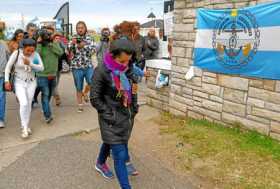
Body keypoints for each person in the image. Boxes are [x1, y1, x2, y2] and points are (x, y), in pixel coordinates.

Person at [90, 39, 139, 189]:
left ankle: (100, 162)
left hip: (126, 115)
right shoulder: (101, 71)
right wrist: (109, 115)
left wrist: (134, 106)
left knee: (111, 141)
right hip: (110, 117)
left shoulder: (129, 68)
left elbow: (133, 88)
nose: (125, 65)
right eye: (122, 61)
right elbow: (94, 98)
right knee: (119, 154)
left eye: (128, 61)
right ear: (113, 55)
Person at [4, 38, 44, 138]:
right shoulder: (17, 53)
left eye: (32, 50)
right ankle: (24, 127)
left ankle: (26, 125)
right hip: (19, 82)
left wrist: (30, 63)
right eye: (28, 50)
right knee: (24, 103)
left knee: (29, 104)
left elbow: (41, 68)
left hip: (32, 82)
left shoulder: (35, 55)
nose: (30, 52)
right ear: (23, 48)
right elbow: (8, 67)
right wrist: (6, 81)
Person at [36, 29, 63, 123]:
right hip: (42, 75)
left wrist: (51, 45)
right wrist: (39, 43)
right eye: (46, 34)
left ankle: (45, 107)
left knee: (49, 95)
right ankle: (48, 115)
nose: (48, 36)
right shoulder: (40, 45)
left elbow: (60, 52)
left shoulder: (54, 44)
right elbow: (36, 57)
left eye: (49, 34)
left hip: (53, 75)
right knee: (45, 95)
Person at [69, 21, 95, 112]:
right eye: (78, 28)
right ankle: (80, 105)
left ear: (85, 28)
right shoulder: (73, 38)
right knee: (78, 87)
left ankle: (85, 93)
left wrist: (83, 46)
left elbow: (93, 51)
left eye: (82, 27)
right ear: (76, 29)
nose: (80, 29)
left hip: (88, 66)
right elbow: (67, 52)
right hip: (76, 67)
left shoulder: (89, 38)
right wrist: (72, 44)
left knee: (92, 82)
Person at [52, 32, 69, 106]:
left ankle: (55, 94)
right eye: (56, 38)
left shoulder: (62, 47)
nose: (57, 40)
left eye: (59, 38)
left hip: (59, 68)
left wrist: (66, 53)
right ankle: (57, 97)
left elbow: (64, 57)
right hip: (51, 69)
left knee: (56, 83)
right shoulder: (51, 46)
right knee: (53, 84)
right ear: (53, 39)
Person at [0, 40, 9, 128]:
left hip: (2, 76)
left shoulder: (3, 44)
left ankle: (1, 119)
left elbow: (8, 57)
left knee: (1, 97)